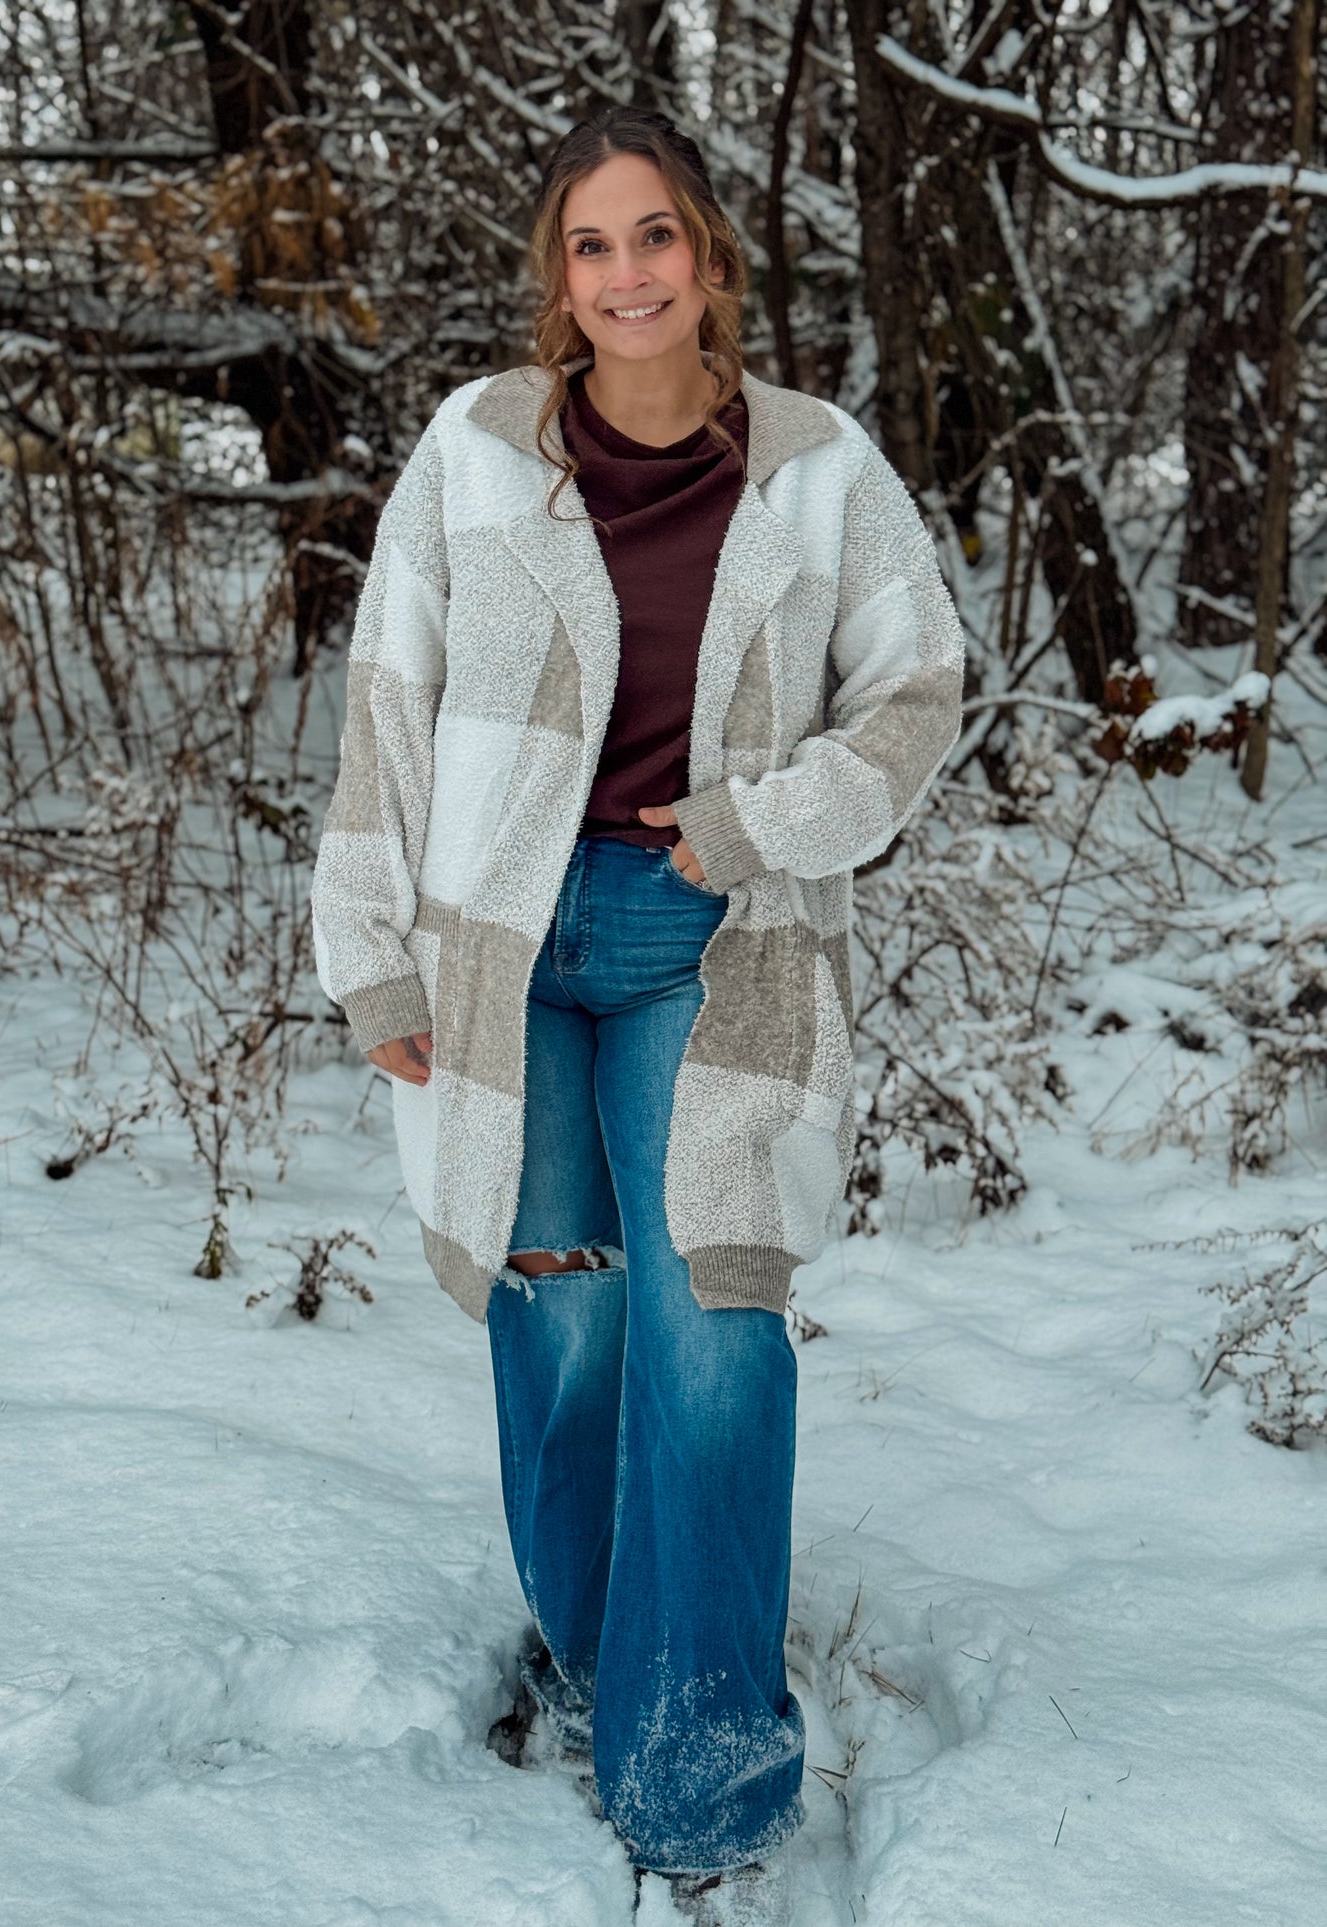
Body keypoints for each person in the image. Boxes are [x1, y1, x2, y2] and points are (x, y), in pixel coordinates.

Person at [311, 104, 965, 1927]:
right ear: (558, 276)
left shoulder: (823, 472)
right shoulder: (472, 455)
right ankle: (609, 1662)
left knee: (710, 1332)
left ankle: (701, 1767)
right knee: (568, 1332)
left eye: (655, 237)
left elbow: (915, 695)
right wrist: (369, 956)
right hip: (497, 953)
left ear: (712, 257)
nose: (625, 277)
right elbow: (386, 703)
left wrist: (761, 823)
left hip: (713, 940)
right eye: (591, 247)